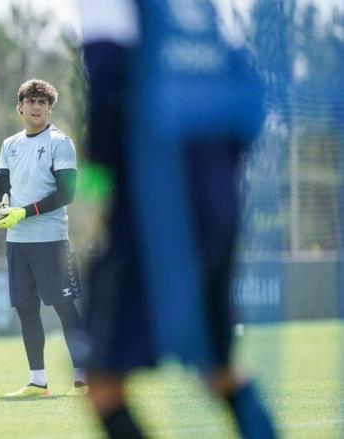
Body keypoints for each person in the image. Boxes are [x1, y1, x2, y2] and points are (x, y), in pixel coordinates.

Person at [76, 0, 277, 437]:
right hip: (219, 196)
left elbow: (107, 79)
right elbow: (249, 99)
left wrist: (101, 187)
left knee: (102, 381)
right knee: (220, 371)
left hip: (154, 204)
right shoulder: (199, 11)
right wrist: (218, 177)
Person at [0, 79, 87, 397]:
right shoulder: (10, 144)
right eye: (30, 101)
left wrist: (24, 212)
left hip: (50, 240)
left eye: (42, 102)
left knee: (64, 308)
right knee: (25, 308)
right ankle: (37, 382)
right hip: (17, 242)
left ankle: (85, 380)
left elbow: (67, 193)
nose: (36, 106)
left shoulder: (61, 142)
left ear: (50, 108)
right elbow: (2, 183)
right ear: (20, 107)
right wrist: (0, 207)